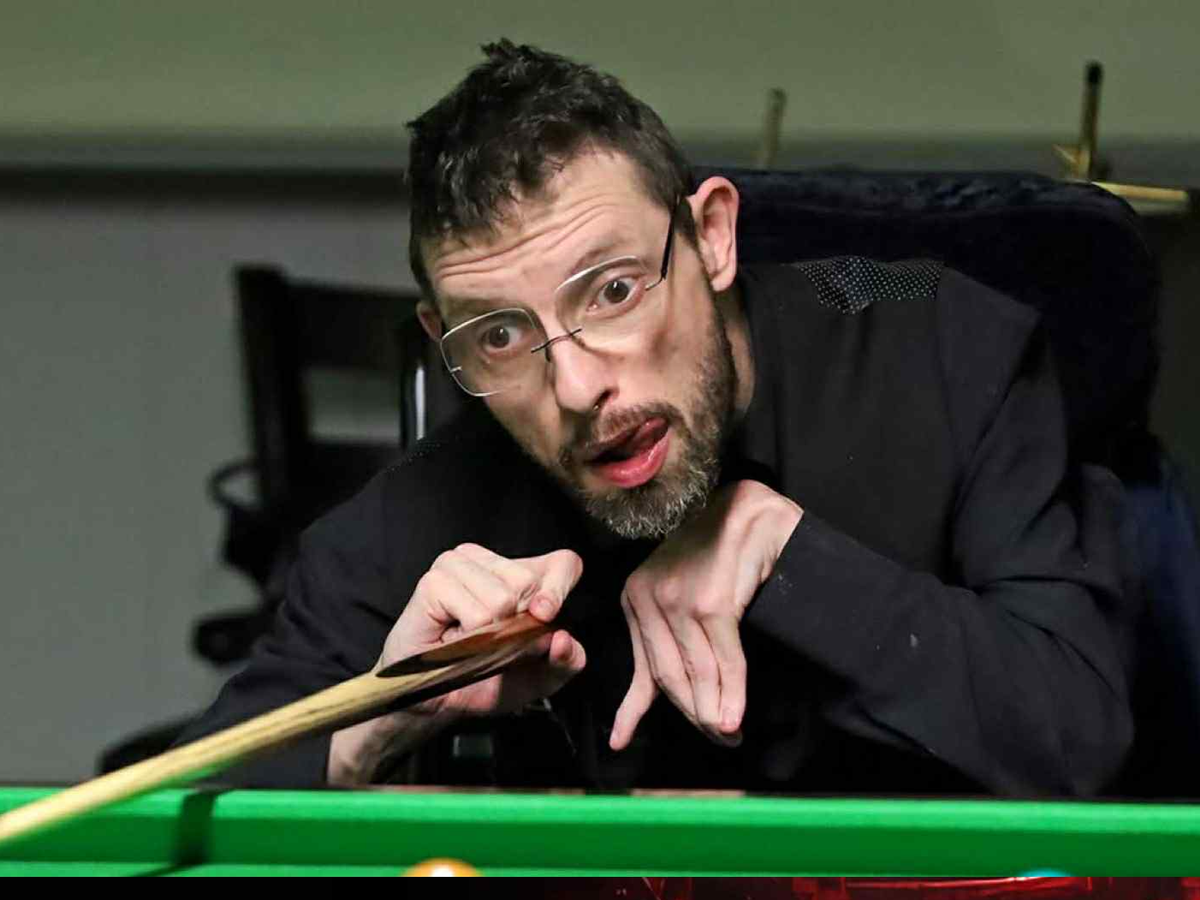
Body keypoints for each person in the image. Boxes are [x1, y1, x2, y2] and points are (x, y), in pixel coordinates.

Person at [177, 39, 1133, 795]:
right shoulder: (430, 512)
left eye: (613, 290)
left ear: (711, 237)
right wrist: (382, 721)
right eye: (500, 335)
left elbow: (1081, 736)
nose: (575, 387)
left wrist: (795, 558)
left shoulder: (947, 350)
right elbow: (177, 806)